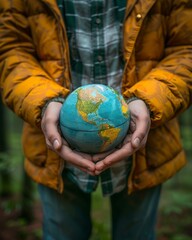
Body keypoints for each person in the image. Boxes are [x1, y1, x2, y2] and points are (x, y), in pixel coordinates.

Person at [0, 0, 192, 239]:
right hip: (52, 152)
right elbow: (12, 50)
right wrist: (45, 103)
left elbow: (185, 49)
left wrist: (149, 101)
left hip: (146, 148)